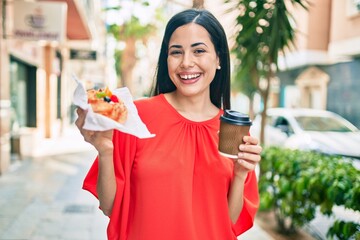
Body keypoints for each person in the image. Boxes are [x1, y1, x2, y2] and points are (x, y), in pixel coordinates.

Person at [75, 8, 262, 240]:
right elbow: (110, 207)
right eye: (176, 52)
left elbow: (227, 222)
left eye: (199, 51)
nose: (186, 62)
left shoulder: (232, 129)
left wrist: (242, 174)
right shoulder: (135, 115)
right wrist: (105, 152)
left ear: (219, 59)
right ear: (166, 59)